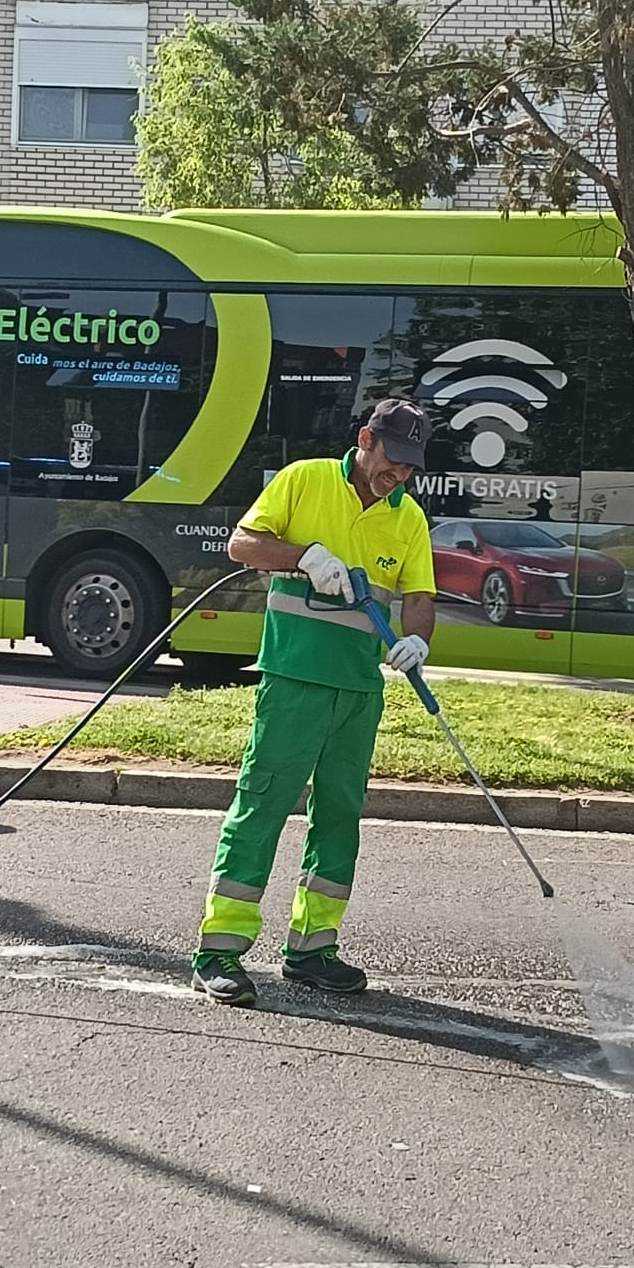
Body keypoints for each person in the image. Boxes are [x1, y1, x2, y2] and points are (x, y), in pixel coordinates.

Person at [190, 399, 438, 1007]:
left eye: (411, 466)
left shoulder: (408, 518)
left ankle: (312, 949)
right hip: (294, 678)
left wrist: (417, 641)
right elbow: (242, 544)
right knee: (263, 807)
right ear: (366, 440)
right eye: (393, 459)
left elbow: (419, 597)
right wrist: (303, 556)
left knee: (339, 818)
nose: (399, 475)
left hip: (359, 691)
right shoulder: (304, 479)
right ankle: (218, 951)